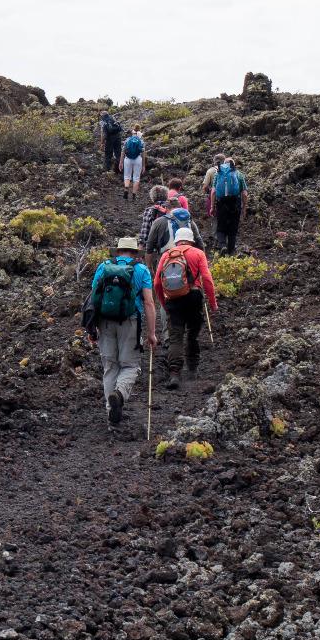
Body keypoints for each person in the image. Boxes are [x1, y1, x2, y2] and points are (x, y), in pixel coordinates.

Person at [84, 237, 157, 427]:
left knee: (110, 366)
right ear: (135, 253)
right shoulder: (141, 270)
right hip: (130, 322)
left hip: (105, 322)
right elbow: (149, 302)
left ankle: (111, 413)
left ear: (118, 251)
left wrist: (92, 327)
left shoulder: (104, 267)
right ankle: (120, 394)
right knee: (130, 365)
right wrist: (152, 333)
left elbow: (93, 299)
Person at [154, 227, 217, 390]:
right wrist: (212, 302)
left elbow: (157, 283)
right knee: (192, 334)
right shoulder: (198, 253)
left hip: (173, 300)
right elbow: (207, 279)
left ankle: (174, 373)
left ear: (176, 240)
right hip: (194, 297)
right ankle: (192, 370)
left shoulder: (166, 255)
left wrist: (163, 302)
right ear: (191, 240)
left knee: (175, 336)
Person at [211, 156, 248, 255]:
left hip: (221, 203)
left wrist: (212, 207)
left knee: (221, 228)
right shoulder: (239, 174)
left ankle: (222, 245)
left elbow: (213, 192)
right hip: (235, 203)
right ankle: (231, 252)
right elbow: (244, 193)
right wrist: (244, 208)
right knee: (233, 230)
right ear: (233, 165)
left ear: (224, 164)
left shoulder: (218, 173)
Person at [201, 153, 229, 218]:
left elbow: (205, 186)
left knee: (215, 217)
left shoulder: (210, 171)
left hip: (215, 197)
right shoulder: (230, 171)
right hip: (229, 197)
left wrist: (208, 192)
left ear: (214, 161)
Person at [121, 129, 146, 199]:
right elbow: (143, 154)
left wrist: (120, 162)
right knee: (136, 177)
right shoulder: (141, 141)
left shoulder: (128, 140)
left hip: (127, 159)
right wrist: (143, 165)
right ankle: (134, 195)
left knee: (127, 176)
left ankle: (126, 188)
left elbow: (123, 151)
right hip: (138, 159)